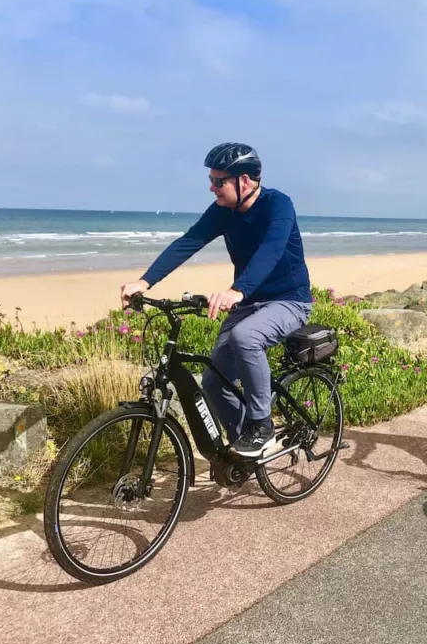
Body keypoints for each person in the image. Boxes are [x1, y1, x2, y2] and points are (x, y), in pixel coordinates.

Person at [120, 143, 313, 457]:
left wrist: (238, 290)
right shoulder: (223, 211)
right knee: (212, 381)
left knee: (245, 337)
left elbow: (272, 250)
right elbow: (189, 242)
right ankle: (246, 450)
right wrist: (144, 281)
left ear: (245, 181)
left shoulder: (278, 205)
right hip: (250, 302)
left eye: (218, 181)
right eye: (211, 180)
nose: (211, 187)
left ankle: (261, 425)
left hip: (289, 300)